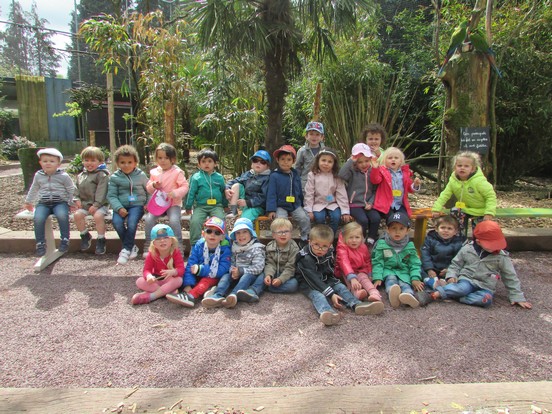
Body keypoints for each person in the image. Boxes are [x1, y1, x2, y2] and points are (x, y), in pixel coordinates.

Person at [425, 221, 532, 309]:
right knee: (462, 289)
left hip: (486, 286)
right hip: (467, 280)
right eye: (491, 245)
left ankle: (457, 297)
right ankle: (435, 294)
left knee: (486, 300)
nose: (495, 248)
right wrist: (451, 275)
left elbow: (510, 277)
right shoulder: (467, 249)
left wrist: (517, 296)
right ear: (479, 242)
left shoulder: (502, 257)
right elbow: (456, 264)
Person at [295, 224, 383, 326]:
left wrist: (334, 283)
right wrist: (331, 294)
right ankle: (328, 312)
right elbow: (314, 280)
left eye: (324, 246)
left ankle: (356, 304)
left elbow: (329, 270)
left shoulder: (328, 252)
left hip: (325, 278)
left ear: (330, 245)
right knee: (319, 296)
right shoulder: (305, 258)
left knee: (341, 287)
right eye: (316, 245)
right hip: (308, 283)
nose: (320, 249)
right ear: (309, 242)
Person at [166, 217, 231, 308]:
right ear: (203, 234)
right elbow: (191, 264)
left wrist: (201, 270)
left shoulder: (225, 249)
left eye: (217, 233)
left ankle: (191, 296)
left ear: (222, 237)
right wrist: (188, 284)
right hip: (199, 271)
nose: (212, 235)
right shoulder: (199, 245)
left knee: (205, 281)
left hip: (215, 276)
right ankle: (187, 290)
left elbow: (223, 270)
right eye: (209, 231)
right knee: (185, 273)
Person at [201, 218, 266, 308]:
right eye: (238, 233)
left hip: (250, 276)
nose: (241, 235)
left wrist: (241, 271)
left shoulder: (257, 248)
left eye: (244, 232)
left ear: (251, 234)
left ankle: (233, 295)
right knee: (226, 276)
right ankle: (218, 295)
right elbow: (231, 262)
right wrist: (233, 270)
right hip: (236, 275)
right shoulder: (234, 246)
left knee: (249, 276)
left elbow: (258, 267)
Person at [24, 148, 76, 256]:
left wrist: (72, 203)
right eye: (45, 161)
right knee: (38, 218)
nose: (48, 163)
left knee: (62, 216)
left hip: (60, 202)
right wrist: (28, 201)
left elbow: (72, 189)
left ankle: (65, 239)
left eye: (52, 161)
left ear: (58, 164)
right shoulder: (38, 175)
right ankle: (40, 243)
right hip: (43, 203)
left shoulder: (63, 176)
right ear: (40, 163)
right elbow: (33, 189)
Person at [431, 151, 497, 234]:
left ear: (472, 169)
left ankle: (478, 243)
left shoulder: (479, 181)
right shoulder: (453, 180)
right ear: (455, 167)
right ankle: (459, 238)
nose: (462, 168)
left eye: (466, 166)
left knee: (479, 231)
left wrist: (489, 213)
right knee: (455, 211)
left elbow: (491, 197)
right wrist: (436, 208)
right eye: (459, 166)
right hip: (464, 208)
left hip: (480, 210)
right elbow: (445, 195)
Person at [143, 143, 189, 257]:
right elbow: (148, 188)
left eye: (166, 158)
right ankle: (149, 244)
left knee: (173, 220)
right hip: (158, 204)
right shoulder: (154, 172)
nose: (163, 161)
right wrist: (153, 185)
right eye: (160, 158)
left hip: (173, 204)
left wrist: (175, 193)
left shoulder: (177, 172)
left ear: (172, 159)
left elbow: (185, 186)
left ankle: (178, 247)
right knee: (149, 219)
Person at [372, 212, 424, 309]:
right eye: (394, 228)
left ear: (407, 230)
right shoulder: (382, 244)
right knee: (391, 280)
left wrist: (415, 278)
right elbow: (378, 261)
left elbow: (415, 263)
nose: (397, 232)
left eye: (401, 228)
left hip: (404, 271)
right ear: (388, 229)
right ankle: (393, 293)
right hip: (388, 270)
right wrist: (377, 276)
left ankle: (407, 295)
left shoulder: (409, 246)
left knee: (405, 282)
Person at [107, 145, 148, 265]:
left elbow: (149, 191)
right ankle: (131, 246)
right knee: (117, 223)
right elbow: (111, 196)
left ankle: (126, 250)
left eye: (130, 162)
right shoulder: (115, 178)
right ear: (118, 164)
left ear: (135, 162)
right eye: (123, 162)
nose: (126, 165)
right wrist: (119, 208)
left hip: (137, 205)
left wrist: (147, 204)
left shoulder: (141, 175)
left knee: (131, 222)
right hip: (120, 206)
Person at [266, 144, 311, 244]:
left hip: (295, 204)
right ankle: (283, 240)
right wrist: (271, 210)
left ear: (293, 161)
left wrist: (302, 205)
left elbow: (298, 190)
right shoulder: (274, 176)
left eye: (289, 159)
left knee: (304, 218)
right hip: (280, 205)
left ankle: (304, 238)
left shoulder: (295, 175)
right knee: (281, 221)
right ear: (277, 160)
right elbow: (271, 193)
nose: (285, 162)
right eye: (282, 159)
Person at [335, 221, 384, 313]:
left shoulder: (363, 247)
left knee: (364, 278)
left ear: (362, 237)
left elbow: (367, 261)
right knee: (351, 282)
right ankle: (357, 293)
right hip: (345, 272)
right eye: (351, 237)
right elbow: (344, 263)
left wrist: (370, 273)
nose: (354, 240)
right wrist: (352, 277)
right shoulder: (342, 248)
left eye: (357, 237)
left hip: (360, 269)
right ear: (345, 238)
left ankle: (374, 293)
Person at [338, 143, 381, 247]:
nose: (364, 164)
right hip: (354, 204)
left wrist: (371, 202)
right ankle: (362, 238)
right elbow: (341, 175)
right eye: (360, 162)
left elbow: (376, 189)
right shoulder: (353, 171)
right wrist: (350, 161)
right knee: (363, 220)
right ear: (355, 163)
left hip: (368, 203)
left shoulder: (372, 171)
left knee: (376, 218)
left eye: (366, 161)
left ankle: (371, 238)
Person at [131, 224, 185, 305]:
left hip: (169, 279)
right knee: (139, 281)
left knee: (179, 280)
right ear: (154, 243)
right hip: (156, 279)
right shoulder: (152, 254)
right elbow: (146, 270)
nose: (162, 241)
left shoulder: (175, 252)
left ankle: (151, 296)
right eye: (158, 239)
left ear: (171, 241)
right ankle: (167, 292)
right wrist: (149, 276)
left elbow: (181, 269)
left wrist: (173, 272)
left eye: (166, 238)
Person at [185, 149, 227, 247]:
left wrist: (225, 205)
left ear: (215, 163)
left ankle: (224, 243)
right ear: (199, 164)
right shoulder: (196, 177)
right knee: (195, 221)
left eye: (209, 161)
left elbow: (223, 192)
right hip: (200, 206)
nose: (206, 164)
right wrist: (188, 206)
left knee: (220, 219)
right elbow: (191, 193)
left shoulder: (219, 177)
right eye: (203, 162)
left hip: (216, 206)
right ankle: (194, 245)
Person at [303, 148, 351, 234]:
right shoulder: (312, 174)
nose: (326, 164)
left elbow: (341, 194)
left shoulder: (336, 176)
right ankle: (321, 237)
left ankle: (330, 238)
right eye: (323, 160)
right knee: (319, 217)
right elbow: (309, 193)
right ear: (318, 161)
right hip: (318, 203)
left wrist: (345, 211)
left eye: (329, 162)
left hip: (332, 203)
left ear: (334, 164)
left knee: (336, 217)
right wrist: (309, 210)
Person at [73, 146, 110, 255]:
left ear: (100, 162)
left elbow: (102, 192)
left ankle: (101, 239)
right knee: (77, 215)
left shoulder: (102, 175)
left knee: (98, 216)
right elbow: (76, 189)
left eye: (93, 160)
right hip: (85, 205)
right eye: (86, 160)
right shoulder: (81, 176)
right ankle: (85, 235)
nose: (89, 163)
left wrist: (96, 204)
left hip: (100, 205)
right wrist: (76, 199)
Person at [370, 146, 421, 220]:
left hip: (399, 204)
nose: (393, 160)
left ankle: (401, 231)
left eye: (396, 158)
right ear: (385, 160)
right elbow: (375, 180)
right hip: (386, 205)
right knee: (393, 220)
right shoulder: (382, 171)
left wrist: (415, 185)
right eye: (390, 158)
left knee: (404, 220)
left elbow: (409, 188)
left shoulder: (405, 173)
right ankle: (391, 231)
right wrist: (375, 168)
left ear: (400, 161)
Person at [420, 215, 465, 291]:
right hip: (432, 267)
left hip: (446, 269)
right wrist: (429, 269)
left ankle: (446, 283)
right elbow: (425, 254)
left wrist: (449, 270)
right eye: (443, 228)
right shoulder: (430, 239)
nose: (445, 231)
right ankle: (431, 282)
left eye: (449, 228)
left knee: (459, 273)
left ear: (455, 231)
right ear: (436, 229)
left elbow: (458, 259)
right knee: (418, 268)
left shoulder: (458, 243)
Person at [225, 149, 271, 221]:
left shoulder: (268, 178)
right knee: (236, 185)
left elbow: (264, 198)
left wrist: (248, 203)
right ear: (252, 163)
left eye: (262, 162)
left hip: (257, 206)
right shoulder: (248, 174)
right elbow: (235, 181)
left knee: (243, 220)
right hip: (244, 201)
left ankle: (244, 227)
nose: (258, 163)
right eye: (255, 160)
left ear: (267, 166)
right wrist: (227, 188)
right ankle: (234, 211)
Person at [263, 218, 300, 293]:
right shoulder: (270, 246)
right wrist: (268, 275)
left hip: (287, 276)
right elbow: (270, 263)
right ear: (273, 235)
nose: (283, 234)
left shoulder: (294, 248)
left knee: (293, 285)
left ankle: (268, 288)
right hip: (273, 274)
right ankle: (261, 287)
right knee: (261, 277)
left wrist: (281, 279)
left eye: (286, 231)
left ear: (291, 233)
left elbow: (291, 268)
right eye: (279, 232)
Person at [295, 121, 325, 190]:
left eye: (317, 134)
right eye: (311, 134)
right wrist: (296, 182)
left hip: (321, 183)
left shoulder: (325, 151)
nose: (314, 137)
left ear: (322, 137)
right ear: (306, 136)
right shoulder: (302, 151)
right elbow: (297, 168)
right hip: (305, 183)